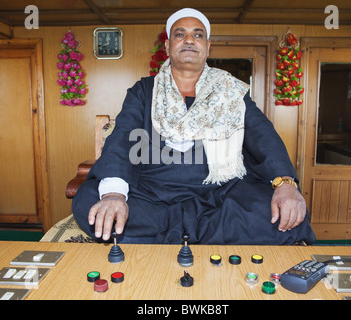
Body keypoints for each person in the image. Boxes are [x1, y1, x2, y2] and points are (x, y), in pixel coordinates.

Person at [72, 8, 316, 245]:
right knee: (88, 200)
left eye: (198, 34)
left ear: (207, 47)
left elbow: (264, 137)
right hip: (152, 193)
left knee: (281, 209)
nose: (189, 40)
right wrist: (115, 195)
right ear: (168, 46)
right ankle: (208, 235)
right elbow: (123, 137)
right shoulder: (144, 91)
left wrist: (285, 184)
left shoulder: (232, 91)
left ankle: (168, 235)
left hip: (220, 194)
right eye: (180, 34)